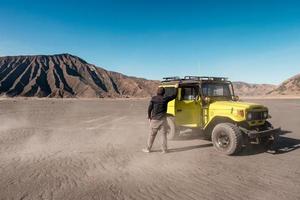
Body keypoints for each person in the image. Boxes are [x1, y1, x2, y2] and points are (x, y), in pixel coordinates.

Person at [142, 86, 178, 153]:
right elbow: (174, 96)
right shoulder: (165, 99)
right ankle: (164, 150)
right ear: (164, 93)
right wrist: (176, 88)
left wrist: (149, 117)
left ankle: (148, 149)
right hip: (163, 121)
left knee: (152, 135)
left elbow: (149, 108)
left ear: (157, 92)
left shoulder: (153, 99)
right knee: (163, 135)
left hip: (155, 120)